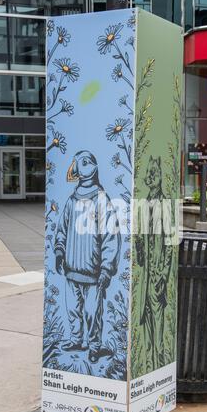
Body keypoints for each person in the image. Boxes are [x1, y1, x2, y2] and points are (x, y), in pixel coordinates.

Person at [55, 151, 121, 363]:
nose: (76, 167)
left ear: (93, 167)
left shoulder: (102, 200)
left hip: (93, 271)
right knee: (73, 309)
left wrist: (106, 269)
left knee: (93, 312)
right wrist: (59, 251)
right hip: (72, 267)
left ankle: (94, 346)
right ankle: (76, 339)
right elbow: (62, 228)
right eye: (77, 163)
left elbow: (111, 236)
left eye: (83, 162)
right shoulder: (72, 200)